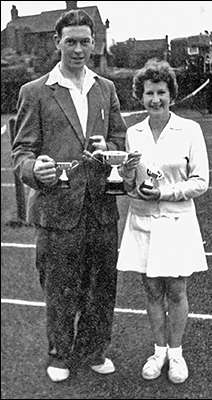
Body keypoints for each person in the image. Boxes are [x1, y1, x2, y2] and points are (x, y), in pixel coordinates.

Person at [11, 9, 126, 382]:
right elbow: (21, 152)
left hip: (100, 207)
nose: (78, 49)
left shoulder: (106, 88)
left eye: (85, 42)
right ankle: (59, 354)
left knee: (100, 284)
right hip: (57, 208)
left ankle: (93, 349)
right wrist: (34, 169)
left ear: (94, 43)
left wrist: (106, 146)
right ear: (56, 42)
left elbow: (121, 139)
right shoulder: (34, 91)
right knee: (60, 287)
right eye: (71, 41)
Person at [117, 58, 209, 384]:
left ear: (171, 93)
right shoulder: (133, 133)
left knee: (177, 290)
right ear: (139, 97)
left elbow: (200, 181)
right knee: (152, 291)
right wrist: (128, 175)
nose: (155, 99)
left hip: (176, 221)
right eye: (148, 93)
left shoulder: (190, 130)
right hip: (143, 221)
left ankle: (177, 353)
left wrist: (164, 193)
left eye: (161, 92)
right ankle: (158, 351)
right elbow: (128, 186)